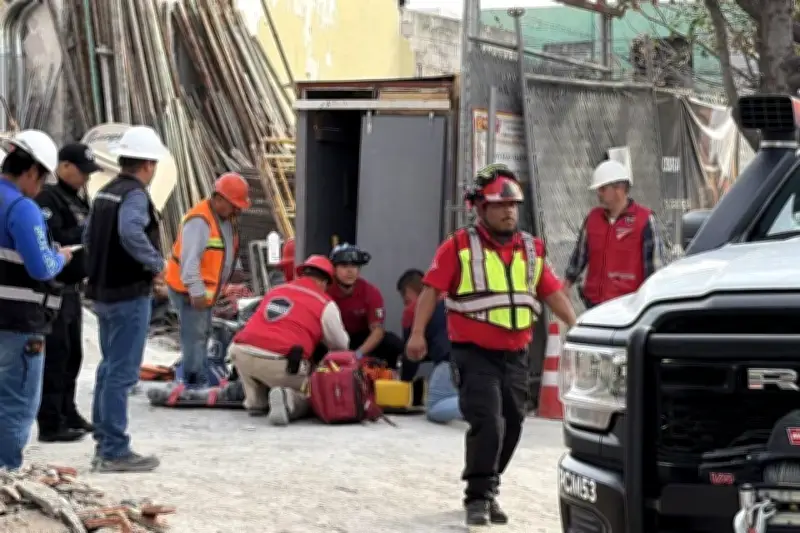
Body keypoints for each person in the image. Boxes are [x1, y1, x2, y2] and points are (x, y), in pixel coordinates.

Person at [406, 163, 577, 527]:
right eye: (500, 205)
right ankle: (478, 496)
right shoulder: (458, 246)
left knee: (513, 423)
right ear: (481, 209)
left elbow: (551, 292)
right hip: (474, 354)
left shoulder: (531, 249)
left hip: (516, 355)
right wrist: (418, 334)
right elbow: (431, 291)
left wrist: (577, 327)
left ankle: (489, 485)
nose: (508, 211)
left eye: (513, 205)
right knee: (488, 422)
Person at [84, 125, 169, 473]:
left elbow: (88, 236)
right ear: (147, 164)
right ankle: (114, 450)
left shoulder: (104, 192)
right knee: (121, 373)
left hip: (103, 292)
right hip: (128, 295)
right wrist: (156, 264)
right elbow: (130, 231)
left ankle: (104, 441)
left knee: (108, 369)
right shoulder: (134, 195)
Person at [0, 129, 71, 470]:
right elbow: (42, 267)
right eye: (41, 180)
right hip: (17, 324)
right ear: (30, 172)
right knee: (15, 406)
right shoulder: (21, 208)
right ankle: (5, 478)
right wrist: (62, 257)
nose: (40, 189)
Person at [229, 255, 349, 425]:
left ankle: (256, 402)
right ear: (325, 282)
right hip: (282, 363)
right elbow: (341, 345)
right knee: (317, 393)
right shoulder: (324, 302)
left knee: (251, 364)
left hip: (240, 352)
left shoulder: (276, 291)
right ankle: (288, 400)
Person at [34, 143, 99, 443]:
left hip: (74, 291)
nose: (85, 178)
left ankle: (68, 411)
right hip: (55, 289)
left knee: (74, 354)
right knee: (56, 355)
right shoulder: (49, 199)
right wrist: (84, 235)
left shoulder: (76, 199)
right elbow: (55, 239)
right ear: (64, 167)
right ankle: (50, 421)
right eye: (82, 172)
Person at [163, 172, 250, 389]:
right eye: (233, 205)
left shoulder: (223, 219)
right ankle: (195, 381)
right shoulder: (200, 221)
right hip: (190, 289)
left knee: (201, 333)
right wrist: (196, 291)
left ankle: (197, 375)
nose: (237, 210)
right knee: (195, 336)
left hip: (206, 290)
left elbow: (224, 249)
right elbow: (189, 261)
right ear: (218, 199)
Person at [564, 159, 665, 309]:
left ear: (620, 188)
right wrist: (566, 285)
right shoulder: (592, 219)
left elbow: (655, 269)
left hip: (629, 308)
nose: (598, 193)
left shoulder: (644, 220)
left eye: (603, 189)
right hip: (594, 305)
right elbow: (579, 256)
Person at [396, 269, 459, 424]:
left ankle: (486, 405)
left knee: (436, 407)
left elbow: (412, 356)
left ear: (408, 294)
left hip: (450, 361)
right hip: (479, 360)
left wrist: (403, 383)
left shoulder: (412, 311)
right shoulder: (453, 299)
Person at [327, 243, 404, 369]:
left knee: (393, 343)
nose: (350, 270)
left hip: (360, 339)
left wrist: (357, 355)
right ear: (334, 269)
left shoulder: (370, 292)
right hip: (332, 338)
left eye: (355, 265)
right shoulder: (326, 290)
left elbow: (377, 331)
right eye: (344, 265)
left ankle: (389, 378)